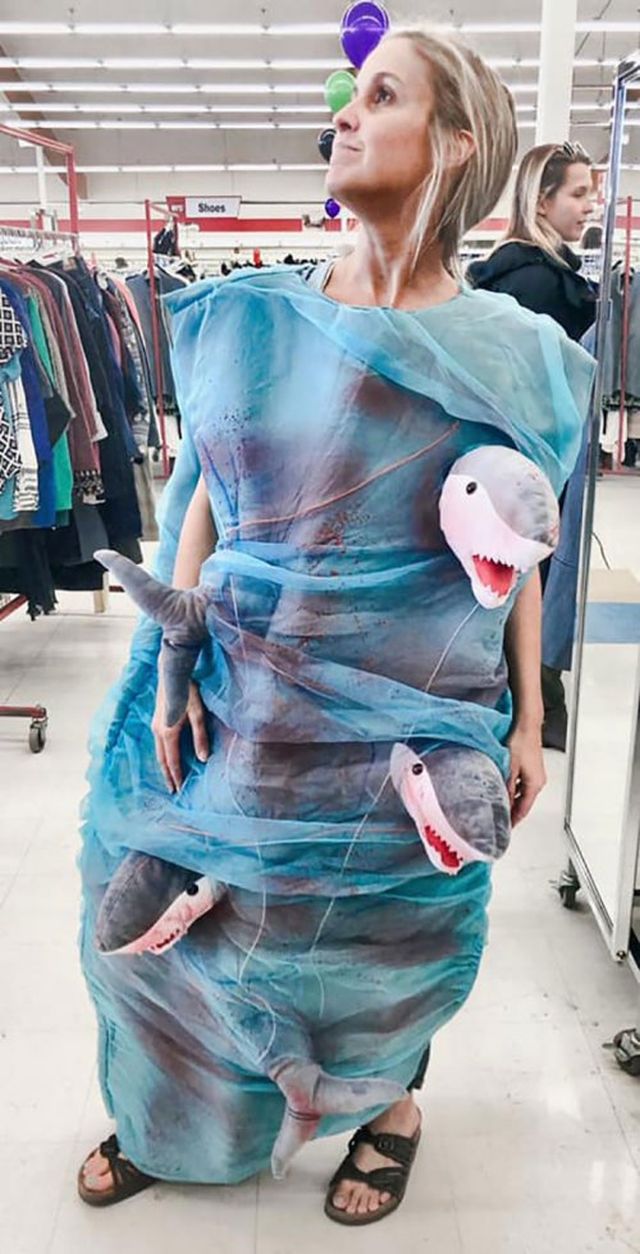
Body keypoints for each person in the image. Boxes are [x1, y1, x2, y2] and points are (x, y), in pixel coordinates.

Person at [77, 29, 594, 1226]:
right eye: (350, 98)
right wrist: (172, 666)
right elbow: (204, 498)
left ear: (454, 145)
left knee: (381, 928)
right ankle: (176, 1117)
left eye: (381, 95)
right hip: (248, 693)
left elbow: (511, 553)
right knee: (201, 909)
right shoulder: (255, 318)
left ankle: (389, 1109)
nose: (345, 117)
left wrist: (526, 718)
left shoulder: (516, 354)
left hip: (414, 709)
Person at [468, 143, 597, 749]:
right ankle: (530, 711)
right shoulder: (545, 286)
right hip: (536, 464)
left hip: (499, 464)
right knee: (529, 578)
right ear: (541, 201)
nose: (590, 206)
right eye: (579, 193)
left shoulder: (504, 275)